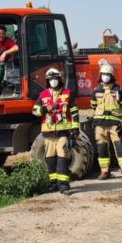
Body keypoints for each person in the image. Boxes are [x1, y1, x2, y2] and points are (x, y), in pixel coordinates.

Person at [32, 68, 79, 196]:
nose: (53, 81)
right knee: (50, 159)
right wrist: (44, 109)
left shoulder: (68, 94)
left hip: (63, 132)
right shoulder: (42, 95)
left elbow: (74, 112)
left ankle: (64, 186)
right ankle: (53, 184)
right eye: (51, 79)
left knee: (62, 156)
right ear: (47, 81)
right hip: (48, 134)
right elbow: (35, 111)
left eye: (55, 79)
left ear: (60, 79)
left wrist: (75, 129)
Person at [91, 60, 122, 182]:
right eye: (104, 74)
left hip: (115, 124)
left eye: (108, 74)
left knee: (120, 147)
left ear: (112, 76)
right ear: (100, 75)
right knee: (102, 148)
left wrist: (120, 102)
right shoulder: (96, 90)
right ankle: (105, 171)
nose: (106, 76)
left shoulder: (118, 89)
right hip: (100, 124)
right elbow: (93, 105)